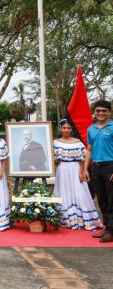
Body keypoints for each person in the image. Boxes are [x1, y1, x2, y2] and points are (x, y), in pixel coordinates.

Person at [53, 119, 102, 231]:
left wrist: (82, 171)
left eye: (68, 128)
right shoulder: (55, 143)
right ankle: (66, 219)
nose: (66, 130)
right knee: (64, 192)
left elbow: (82, 159)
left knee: (79, 192)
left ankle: (82, 219)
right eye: (64, 128)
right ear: (60, 129)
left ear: (71, 130)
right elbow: (53, 159)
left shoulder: (78, 143)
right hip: (62, 170)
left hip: (75, 169)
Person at [83, 100, 113, 243]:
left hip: (110, 166)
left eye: (104, 111)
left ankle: (111, 231)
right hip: (96, 167)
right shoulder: (91, 129)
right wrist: (85, 169)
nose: (101, 113)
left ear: (109, 112)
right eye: (98, 111)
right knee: (101, 200)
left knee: (111, 200)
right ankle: (107, 227)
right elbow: (89, 150)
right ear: (94, 112)